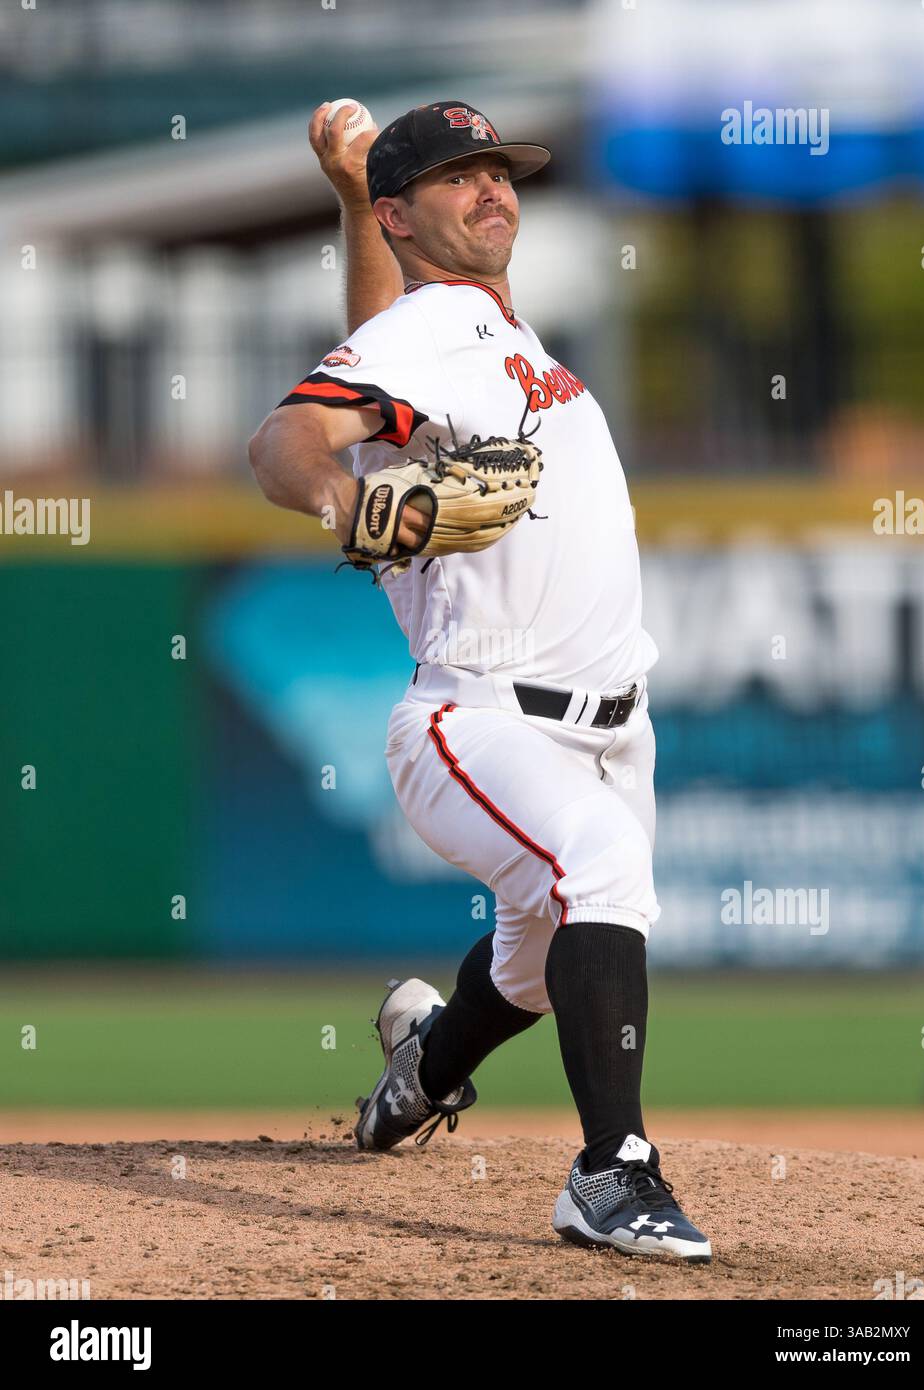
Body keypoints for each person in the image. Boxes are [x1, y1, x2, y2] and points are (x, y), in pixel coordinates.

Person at [248, 100, 712, 1262]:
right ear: (411, 216)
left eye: (499, 170)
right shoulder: (445, 323)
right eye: (460, 177)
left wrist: (357, 203)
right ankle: (613, 1174)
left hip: (612, 726)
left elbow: (383, 337)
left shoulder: (482, 334)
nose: (494, 189)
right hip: (478, 713)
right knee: (597, 871)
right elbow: (284, 443)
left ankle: (422, 1070)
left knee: (533, 966)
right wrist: (346, 501)